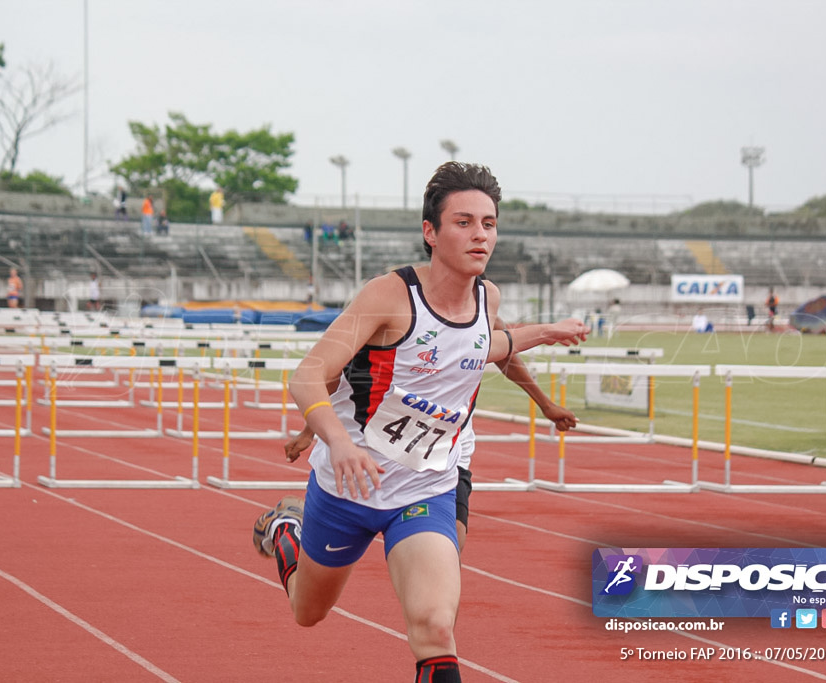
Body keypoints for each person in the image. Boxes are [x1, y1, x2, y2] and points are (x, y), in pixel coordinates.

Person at [252, 162, 588, 683]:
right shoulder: (389, 295)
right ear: (430, 233)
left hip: (425, 487)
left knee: (434, 625)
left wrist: (544, 347)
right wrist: (336, 442)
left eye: (489, 223)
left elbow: (486, 346)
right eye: (464, 222)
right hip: (348, 486)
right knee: (307, 612)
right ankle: (286, 531)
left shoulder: (487, 298)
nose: (480, 234)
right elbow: (309, 375)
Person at [283, 317, 579, 552]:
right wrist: (310, 431)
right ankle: (289, 531)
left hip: (446, 453)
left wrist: (546, 404)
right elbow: (340, 377)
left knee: (452, 545)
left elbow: (509, 361)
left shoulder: (488, 320)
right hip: (379, 446)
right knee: (311, 606)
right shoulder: (400, 319)